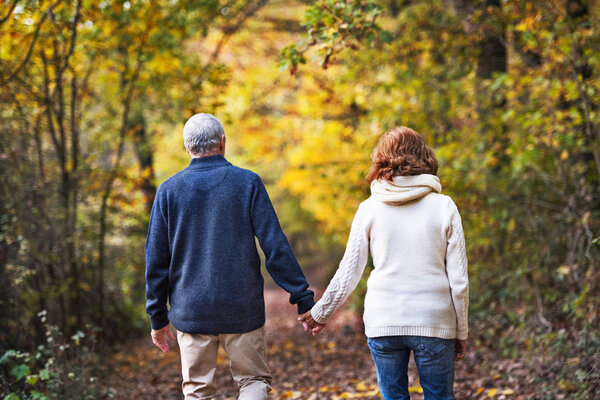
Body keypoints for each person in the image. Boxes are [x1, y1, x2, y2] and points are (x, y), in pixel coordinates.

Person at [145, 113, 316, 400]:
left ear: (187, 148)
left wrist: (157, 315)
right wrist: (302, 297)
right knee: (253, 381)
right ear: (223, 143)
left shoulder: (168, 192)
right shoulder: (248, 183)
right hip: (242, 306)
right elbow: (274, 245)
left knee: (198, 390)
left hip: (191, 310)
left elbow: (156, 261)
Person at [299, 126, 469, 400]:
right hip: (435, 321)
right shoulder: (444, 206)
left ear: (381, 161)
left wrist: (321, 312)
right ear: (424, 158)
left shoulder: (369, 208)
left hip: (384, 321)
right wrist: (461, 331)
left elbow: (348, 272)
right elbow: (459, 281)